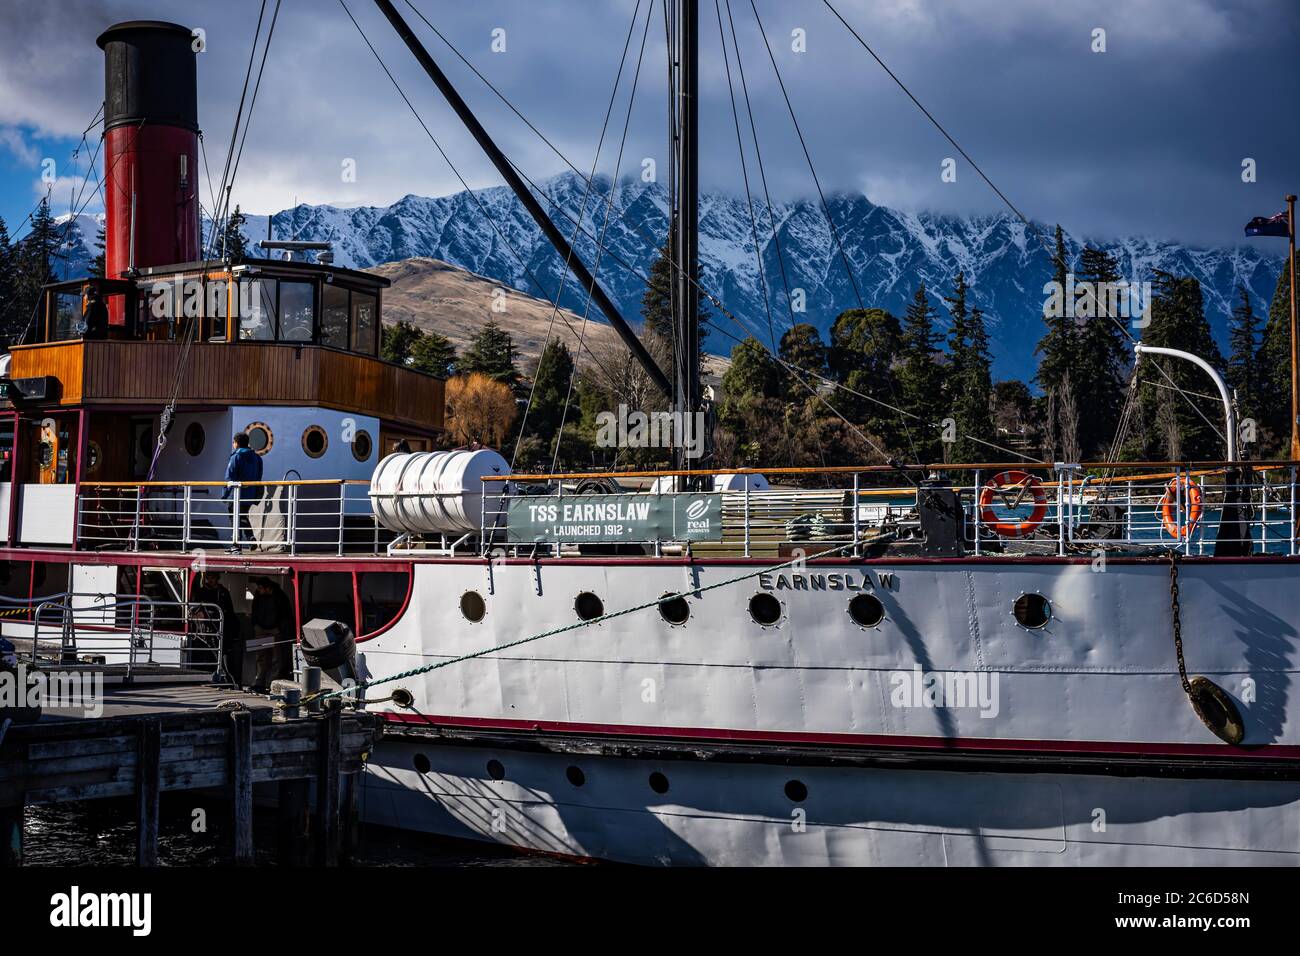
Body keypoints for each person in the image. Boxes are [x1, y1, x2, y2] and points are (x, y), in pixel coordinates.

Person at [189, 572, 239, 683]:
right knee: (207, 655)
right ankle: (209, 679)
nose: (210, 580)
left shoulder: (223, 592)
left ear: (217, 578)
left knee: (222, 655)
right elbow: (194, 608)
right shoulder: (201, 592)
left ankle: (225, 679)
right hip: (205, 629)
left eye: (213, 578)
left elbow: (230, 610)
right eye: (209, 578)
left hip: (221, 628)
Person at [248, 576, 293, 692]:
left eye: (260, 588)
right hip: (261, 629)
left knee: (276, 658)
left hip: (275, 630)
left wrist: (279, 629)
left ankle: (272, 683)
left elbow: (286, 614)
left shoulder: (280, 596)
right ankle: (259, 682)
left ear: (267, 588)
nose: (258, 590)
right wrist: (255, 625)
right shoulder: (259, 595)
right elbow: (254, 610)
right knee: (261, 657)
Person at [223, 432, 263, 553]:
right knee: (242, 516)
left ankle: (236, 545)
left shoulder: (236, 457)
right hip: (250, 494)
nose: (233, 444)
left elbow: (230, 476)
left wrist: (225, 494)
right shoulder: (257, 458)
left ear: (237, 443)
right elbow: (259, 476)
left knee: (235, 518)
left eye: (234, 442)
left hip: (236, 494)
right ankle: (250, 539)